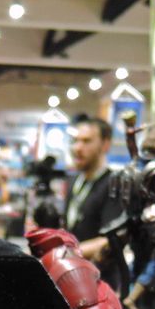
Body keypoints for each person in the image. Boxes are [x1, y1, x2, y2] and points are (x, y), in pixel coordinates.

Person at [65, 116, 118, 286]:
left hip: (99, 282)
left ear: (105, 145)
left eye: (86, 141)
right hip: (70, 277)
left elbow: (111, 239)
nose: (78, 148)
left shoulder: (114, 184)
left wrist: (66, 253)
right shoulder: (74, 181)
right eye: (75, 141)